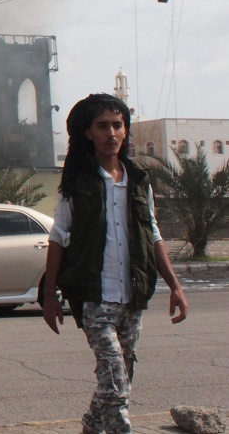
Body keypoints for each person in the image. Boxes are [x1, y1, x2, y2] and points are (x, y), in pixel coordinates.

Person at [42, 93, 189, 434]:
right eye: (102, 126)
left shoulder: (138, 180)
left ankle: (91, 427)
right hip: (95, 297)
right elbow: (59, 235)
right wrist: (50, 294)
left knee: (120, 376)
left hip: (132, 297)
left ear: (125, 131)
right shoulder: (77, 183)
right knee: (114, 381)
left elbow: (153, 234)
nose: (111, 133)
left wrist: (176, 287)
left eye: (117, 125)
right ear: (87, 133)